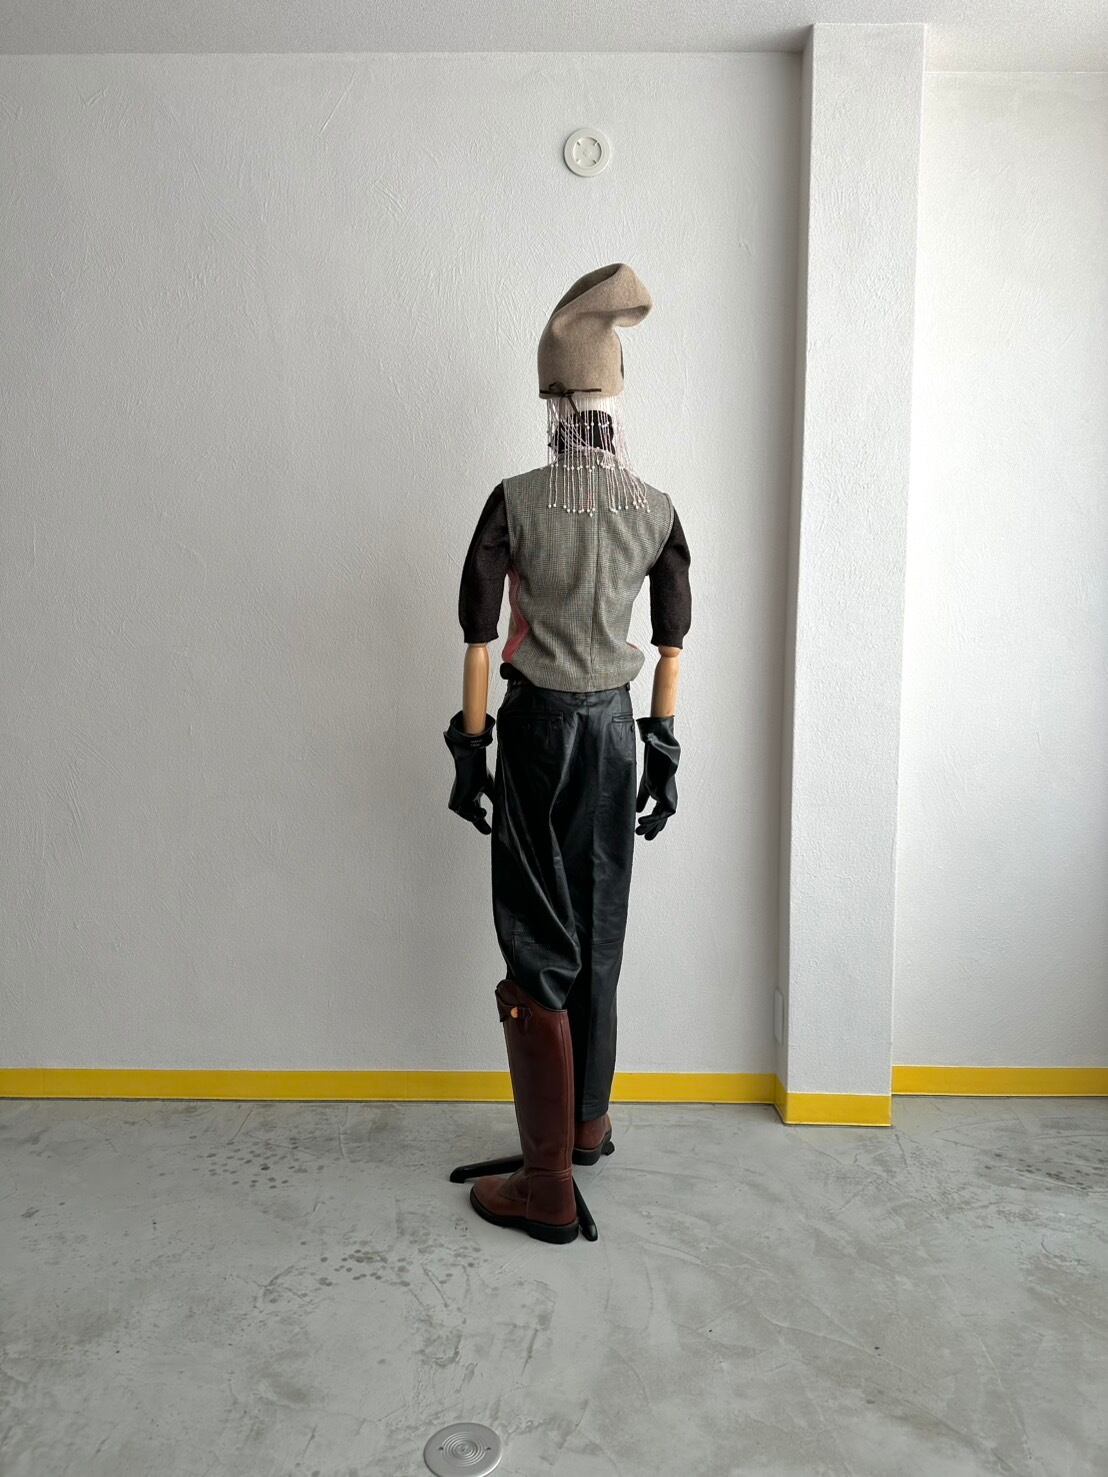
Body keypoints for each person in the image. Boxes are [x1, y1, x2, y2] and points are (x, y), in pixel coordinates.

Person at [443, 263, 692, 1244]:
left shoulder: (515, 500)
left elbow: (476, 636)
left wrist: (471, 749)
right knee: (599, 926)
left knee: (536, 936)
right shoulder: (655, 508)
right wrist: (661, 748)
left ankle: (545, 1183)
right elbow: (672, 644)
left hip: (541, 731)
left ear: (551, 403)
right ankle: (584, 1125)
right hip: (616, 732)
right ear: (615, 401)